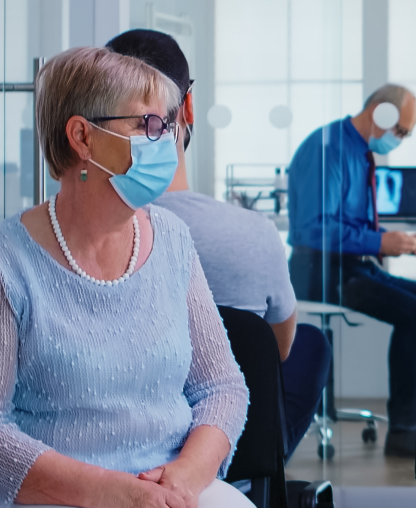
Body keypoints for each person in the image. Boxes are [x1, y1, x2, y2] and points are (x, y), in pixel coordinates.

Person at [0, 46, 252, 508]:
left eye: (167, 125)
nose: (164, 140)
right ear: (82, 137)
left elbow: (222, 388)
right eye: (147, 126)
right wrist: (108, 492)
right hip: (47, 498)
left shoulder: (172, 240)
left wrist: (182, 480)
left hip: (166, 492)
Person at [106, 29, 333, 464]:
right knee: (308, 343)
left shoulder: (81, 235)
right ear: (188, 107)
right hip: (239, 449)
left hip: (125, 447)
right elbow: (278, 351)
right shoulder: (253, 233)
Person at [288, 84, 416, 458]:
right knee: (415, 314)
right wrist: (380, 244)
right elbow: (314, 229)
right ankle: (404, 430)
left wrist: (396, 241)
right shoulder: (328, 149)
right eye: (402, 131)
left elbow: (351, 224)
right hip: (320, 269)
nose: (401, 139)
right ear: (381, 113)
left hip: (355, 266)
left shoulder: (359, 152)